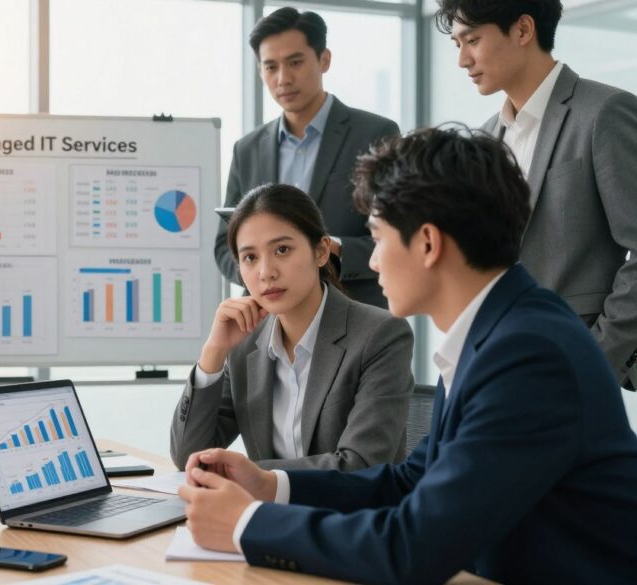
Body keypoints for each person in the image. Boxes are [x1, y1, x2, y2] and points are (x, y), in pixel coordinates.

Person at [178, 127, 637, 584]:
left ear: (428, 243)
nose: (372, 261)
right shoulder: (499, 332)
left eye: (377, 237)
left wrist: (245, 524)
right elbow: (409, 481)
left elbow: (412, 547)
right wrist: (270, 486)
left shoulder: (527, 356)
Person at [437, 0, 637, 387]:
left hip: (576, 364)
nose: (462, 60)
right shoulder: (485, 136)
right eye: (456, 45)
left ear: (524, 30)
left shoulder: (605, 113)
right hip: (497, 364)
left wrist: (596, 359)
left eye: (472, 40)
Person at [170, 183, 413, 472]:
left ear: (321, 251)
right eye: (250, 257)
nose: (266, 272)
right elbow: (189, 457)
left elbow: (360, 465)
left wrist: (252, 475)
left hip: (349, 515)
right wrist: (214, 352)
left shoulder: (380, 334)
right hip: (267, 514)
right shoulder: (244, 343)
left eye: (282, 250)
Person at [215, 7, 400, 308]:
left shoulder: (375, 134)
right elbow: (224, 246)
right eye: (270, 67)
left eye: (295, 62)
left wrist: (334, 249)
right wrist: (264, 273)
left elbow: (399, 237)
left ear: (324, 59)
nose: (283, 78)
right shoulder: (246, 149)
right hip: (268, 324)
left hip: (354, 314)